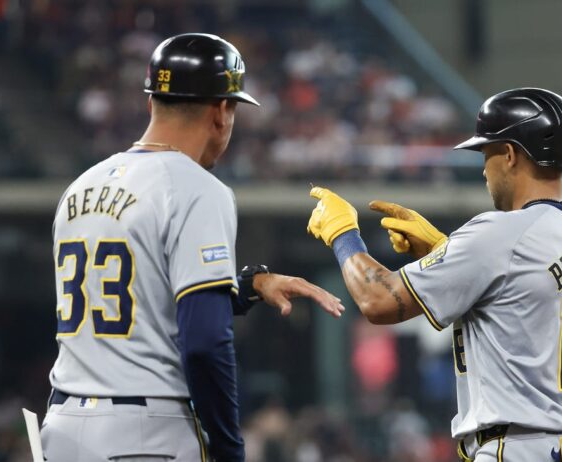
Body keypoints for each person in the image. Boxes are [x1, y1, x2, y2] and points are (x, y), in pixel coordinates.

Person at [41, 33, 344, 462]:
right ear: (221, 111)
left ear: (152, 103)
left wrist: (249, 286)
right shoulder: (197, 187)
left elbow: (143, 301)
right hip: (145, 433)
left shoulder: (80, 187)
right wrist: (229, 447)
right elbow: (204, 340)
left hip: (62, 426)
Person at [307, 88, 562, 461]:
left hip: (516, 448)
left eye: (487, 154)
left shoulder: (500, 231)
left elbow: (378, 300)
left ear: (510, 154)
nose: (485, 170)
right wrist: (444, 251)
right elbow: (519, 302)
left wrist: (343, 235)